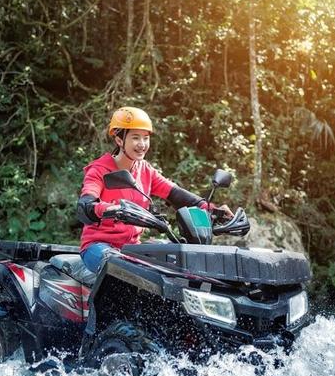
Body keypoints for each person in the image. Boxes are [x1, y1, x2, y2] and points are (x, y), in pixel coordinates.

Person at [77, 106, 232, 272]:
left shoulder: (145, 170)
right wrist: (108, 208)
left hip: (131, 248)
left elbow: (176, 194)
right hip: (98, 246)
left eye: (146, 138)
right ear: (119, 140)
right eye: (135, 138)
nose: (142, 144)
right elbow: (86, 204)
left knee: (176, 267)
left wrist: (212, 210)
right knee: (123, 271)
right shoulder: (99, 170)